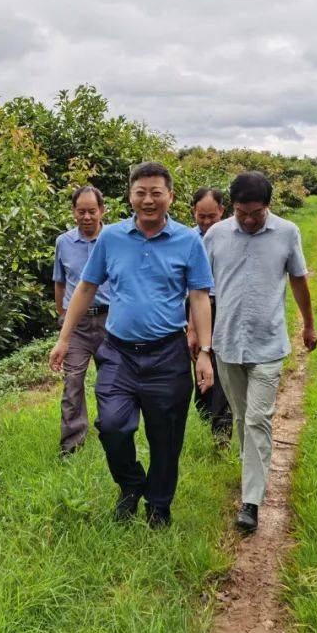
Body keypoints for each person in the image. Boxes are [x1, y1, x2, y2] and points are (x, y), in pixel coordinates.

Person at [49, 161, 215, 527]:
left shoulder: (188, 241)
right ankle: (131, 484)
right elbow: (87, 287)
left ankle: (159, 505)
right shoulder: (112, 238)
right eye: (141, 192)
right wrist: (64, 338)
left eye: (157, 192)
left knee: (166, 436)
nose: (148, 200)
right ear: (130, 196)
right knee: (112, 426)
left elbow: (200, 296)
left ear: (170, 196)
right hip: (119, 353)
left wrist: (204, 352)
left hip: (168, 354)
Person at [203, 171, 317, 533]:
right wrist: (196, 333)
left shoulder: (287, 233)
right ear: (231, 207)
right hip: (226, 343)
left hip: (268, 343)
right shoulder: (215, 235)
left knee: (258, 418)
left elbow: (298, 279)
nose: (249, 220)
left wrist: (309, 324)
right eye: (241, 212)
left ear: (269, 206)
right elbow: (201, 289)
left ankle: (251, 501)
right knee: (241, 415)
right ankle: (251, 463)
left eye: (257, 213)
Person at [52, 185, 111, 456]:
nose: (87, 217)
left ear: (102, 210)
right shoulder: (63, 242)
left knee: (110, 380)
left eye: (92, 211)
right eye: (81, 211)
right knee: (72, 381)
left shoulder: (114, 239)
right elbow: (60, 283)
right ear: (74, 212)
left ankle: (112, 433)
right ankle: (72, 443)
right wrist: (63, 319)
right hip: (76, 326)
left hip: (110, 320)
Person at [187, 186, 232, 441]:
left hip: (222, 306)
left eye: (211, 217)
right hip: (194, 308)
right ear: (193, 211)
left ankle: (222, 425)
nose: (206, 222)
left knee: (221, 362)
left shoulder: (230, 236)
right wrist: (191, 326)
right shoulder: (188, 238)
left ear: (222, 212)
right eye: (201, 216)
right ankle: (204, 410)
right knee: (200, 359)